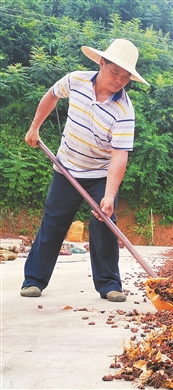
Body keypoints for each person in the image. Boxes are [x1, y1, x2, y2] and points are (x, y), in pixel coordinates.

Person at [21, 39, 149, 302]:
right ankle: (34, 280)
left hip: (100, 174)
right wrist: (35, 127)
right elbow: (52, 95)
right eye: (115, 72)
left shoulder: (124, 110)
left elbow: (119, 156)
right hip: (66, 167)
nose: (119, 81)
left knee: (104, 223)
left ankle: (109, 284)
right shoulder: (75, 81)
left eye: (126, 77)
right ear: (101, 63)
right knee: (53, 222)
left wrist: (110, 196)